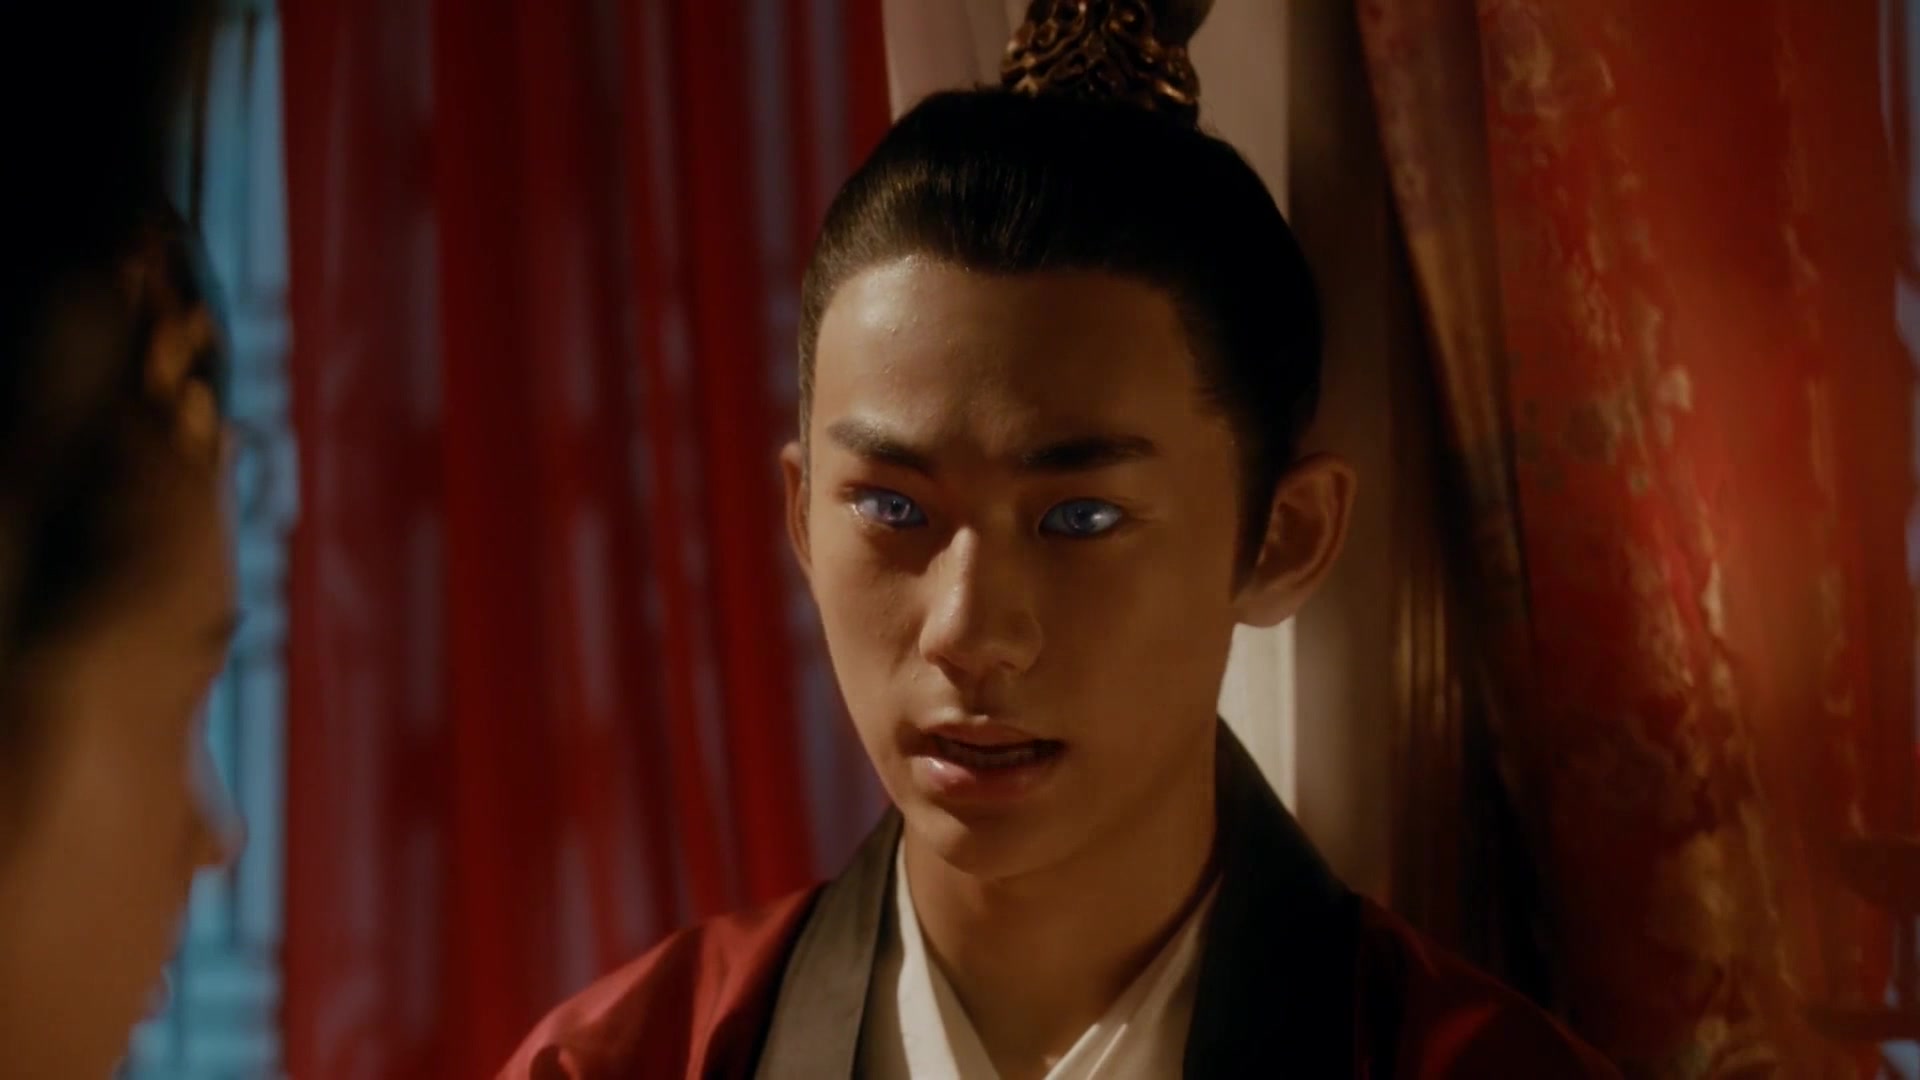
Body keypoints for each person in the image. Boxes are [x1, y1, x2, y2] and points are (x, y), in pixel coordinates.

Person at [503, 4, 1618, 1077]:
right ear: (802, 515)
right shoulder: (628, 1062)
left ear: (1283, 539)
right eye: (892, 509)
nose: (969, 631)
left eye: (1080, 518)